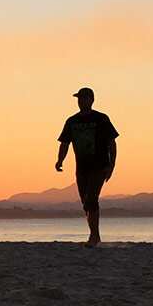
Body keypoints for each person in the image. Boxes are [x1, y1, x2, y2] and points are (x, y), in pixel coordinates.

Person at [56, 87, 119, 248]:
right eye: (79, 99)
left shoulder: (101, 119)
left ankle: (94, 236)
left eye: (84, 98)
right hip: (81, 167)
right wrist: (60, 160)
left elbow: (112, 142)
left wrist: (111, 165)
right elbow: (65, 142)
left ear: (91, 100)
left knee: (92, 199)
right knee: (86, 203)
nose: (81, 102)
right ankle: (93, 234)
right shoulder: (72, 121)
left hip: (99, 165)